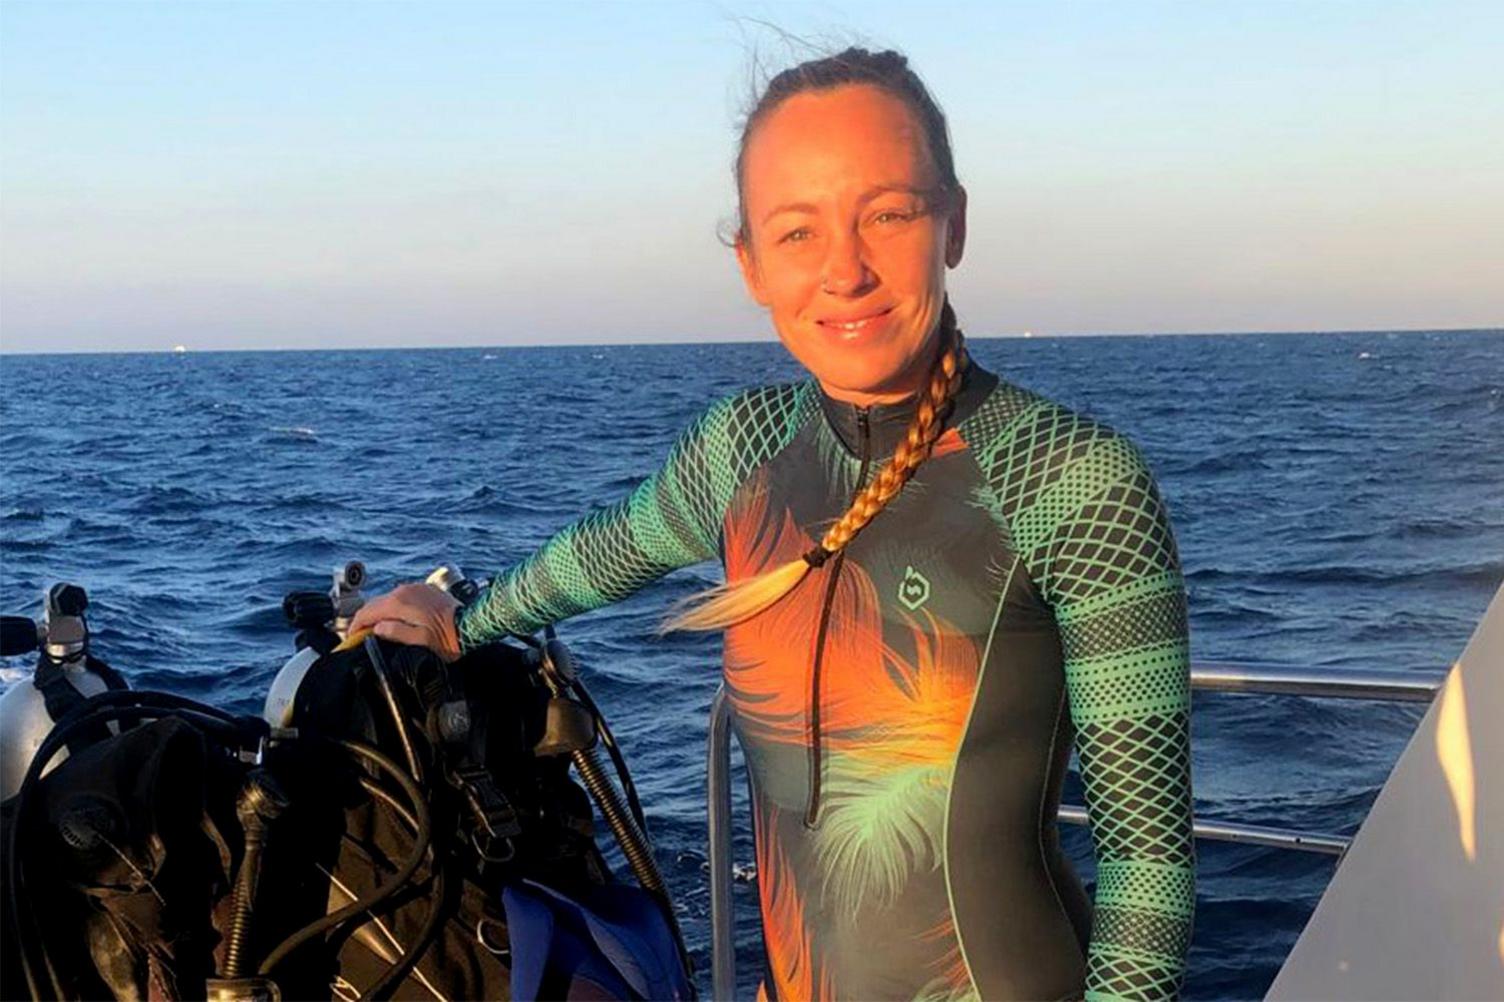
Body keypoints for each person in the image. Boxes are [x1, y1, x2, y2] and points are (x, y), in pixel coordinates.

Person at [351, 47, 1195, 1002]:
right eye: (798, 233)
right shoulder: (741, 447)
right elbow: (613, 548)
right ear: (750, 262)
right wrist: (458, 616)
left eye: (888, 213)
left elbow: (1149, 866)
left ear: (953, 225)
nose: (845, 269)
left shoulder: (1075, 478)